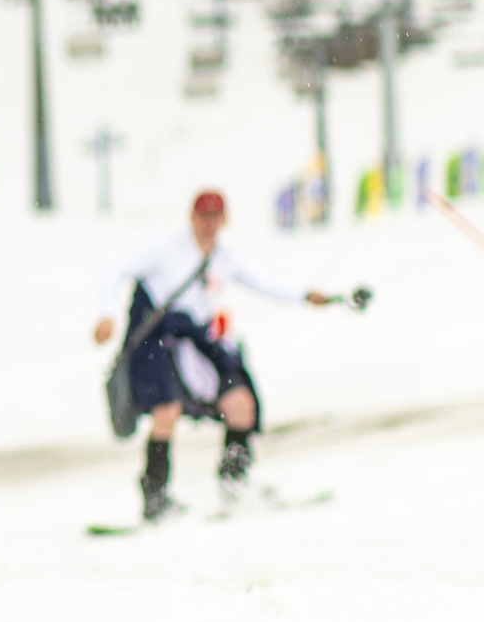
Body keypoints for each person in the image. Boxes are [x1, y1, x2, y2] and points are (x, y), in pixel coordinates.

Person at [93, 189, 349, 521]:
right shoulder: (165, 249)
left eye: (215, 217)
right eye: (203, 216)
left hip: (198, 339)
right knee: (165, 412)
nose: (208, 224)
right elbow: (117, 271)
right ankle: (155, 497)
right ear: (191, 216)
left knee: (241, 405)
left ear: (224, 219)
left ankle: (234, 486)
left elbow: (263, 282)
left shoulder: (224, 257)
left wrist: (305, 295)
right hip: (157, 340)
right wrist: (106, 313)